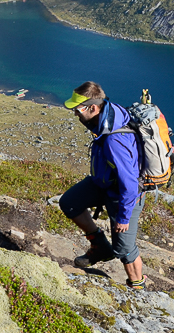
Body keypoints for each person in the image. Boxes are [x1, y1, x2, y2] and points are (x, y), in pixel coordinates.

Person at [58, 81, 146, 290]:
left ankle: (138, 289)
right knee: (70, 202)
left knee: (124, 249)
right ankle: (100, 248)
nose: (75, 114)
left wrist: (123, 217)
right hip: (104, 183)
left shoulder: (114, 140)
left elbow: (130, 184)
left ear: (92, 107)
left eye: (77, 110)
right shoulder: (108, 115)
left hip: (123, 194)